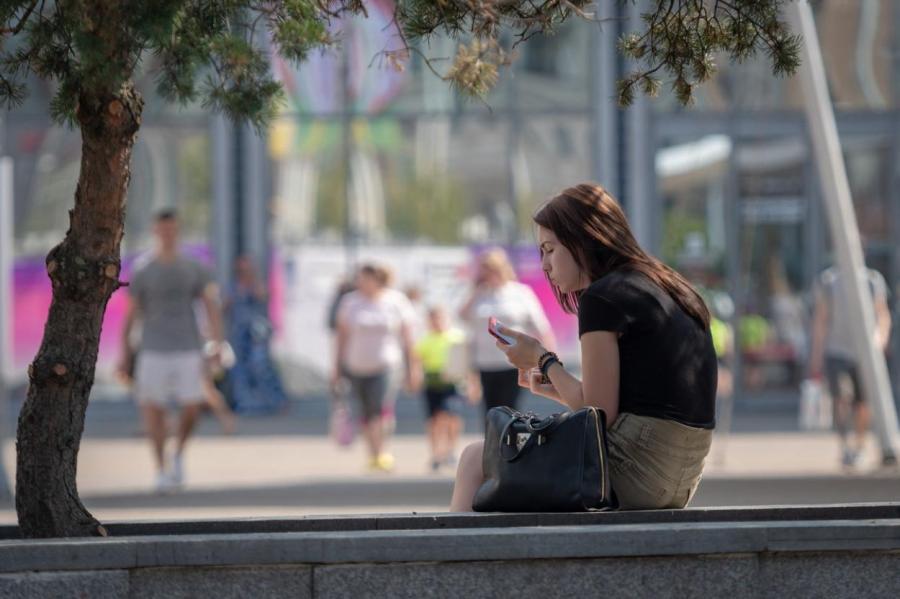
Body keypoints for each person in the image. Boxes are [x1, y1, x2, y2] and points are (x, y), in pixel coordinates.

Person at [450, 183, 717, 512]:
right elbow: (624, 402)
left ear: (583, 240)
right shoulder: (669, 286)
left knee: (476, 458)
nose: (545, 265)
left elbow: (598, 413)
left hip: (634, 471)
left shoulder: (602, 297)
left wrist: (542, 358)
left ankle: (452, 562)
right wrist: (551, 386)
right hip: (681, 477)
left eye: (550, 249)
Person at [118, 209, 226, 493]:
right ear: (156, 231)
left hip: (188, 345)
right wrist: (124, 352)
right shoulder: (143, 268)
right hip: (152, 346)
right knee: (152, 408)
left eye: (173, 229)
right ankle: (160, 468)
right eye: (163, 230)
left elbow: (209, 304)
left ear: (178, 231)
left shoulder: (193, 266)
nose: (168, 234)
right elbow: (131, 313)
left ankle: (178, 453)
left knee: (192, 406)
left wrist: (217, 343)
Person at [333, 263, 418, 472]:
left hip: (387, 364)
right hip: (357, 365)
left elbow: (408, 339)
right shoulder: (350, 302)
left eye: (365, 278)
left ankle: (383, 451)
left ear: (377, 279)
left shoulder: (396, 301)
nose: (360, 283)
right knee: (366, 410)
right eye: (359, 278)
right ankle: (372, 453)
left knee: (381, 408)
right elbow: (341, 337)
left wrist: (413, 368)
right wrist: (336, 367)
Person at [809, 263, 892, 468]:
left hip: (865, 353)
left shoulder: (873, 279)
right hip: (836, 350)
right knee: (841, 398)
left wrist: (880, 340)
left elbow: (882, 314)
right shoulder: (828, 281)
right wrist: (816, 356)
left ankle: (860, 446)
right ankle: (845, 445)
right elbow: (821, 319)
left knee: (863, 403)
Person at [459, 248, 555, 417]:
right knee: (491, 412)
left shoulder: (519, 293)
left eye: (491, 269)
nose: (488, 274)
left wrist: (550, 359)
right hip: (486, 362)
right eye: (485, 270)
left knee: (510, 409)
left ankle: (510, 442)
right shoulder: (479, 294)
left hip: (514, 361)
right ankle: (494, 443)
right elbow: (462, 316)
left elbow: (541, 327)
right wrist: (475, 290)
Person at [223, 255, 287, 414]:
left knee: (260, 366)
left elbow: (264, 296)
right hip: (238, 333)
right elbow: (224, 305)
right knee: (240, 369)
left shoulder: (256, 285)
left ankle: (275, 401)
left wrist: (253, 284)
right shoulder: (233, 287)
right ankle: (245, 402)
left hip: (256, 334)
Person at [415, 306, 466, 472]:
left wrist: (472, 383)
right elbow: (417, 361)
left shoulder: (456, 338)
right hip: (432, 382)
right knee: (434, 420)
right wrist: (416, 377)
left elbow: (465, 362)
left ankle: (450, 450)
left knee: (451, 416)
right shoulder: (425, 340)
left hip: (452, 383)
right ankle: (436, 453)